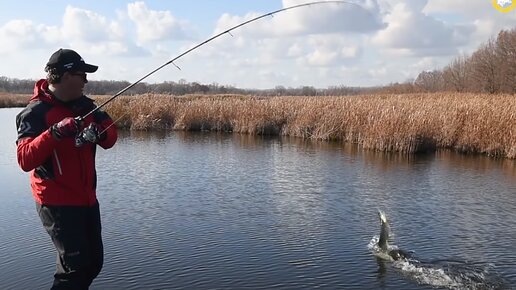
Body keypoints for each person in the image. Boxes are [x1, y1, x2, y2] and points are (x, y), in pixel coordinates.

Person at [15, 48, 118, 289]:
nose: (86, 81)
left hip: (87, 199)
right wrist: (55, 132)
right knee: (75, 267)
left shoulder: (87, 106)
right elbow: (24, 159)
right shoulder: (35, 112)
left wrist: (100, 133)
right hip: (56, 201)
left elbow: (111, 137)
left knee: (93, 263)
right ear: (65, 76)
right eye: (82, 75)